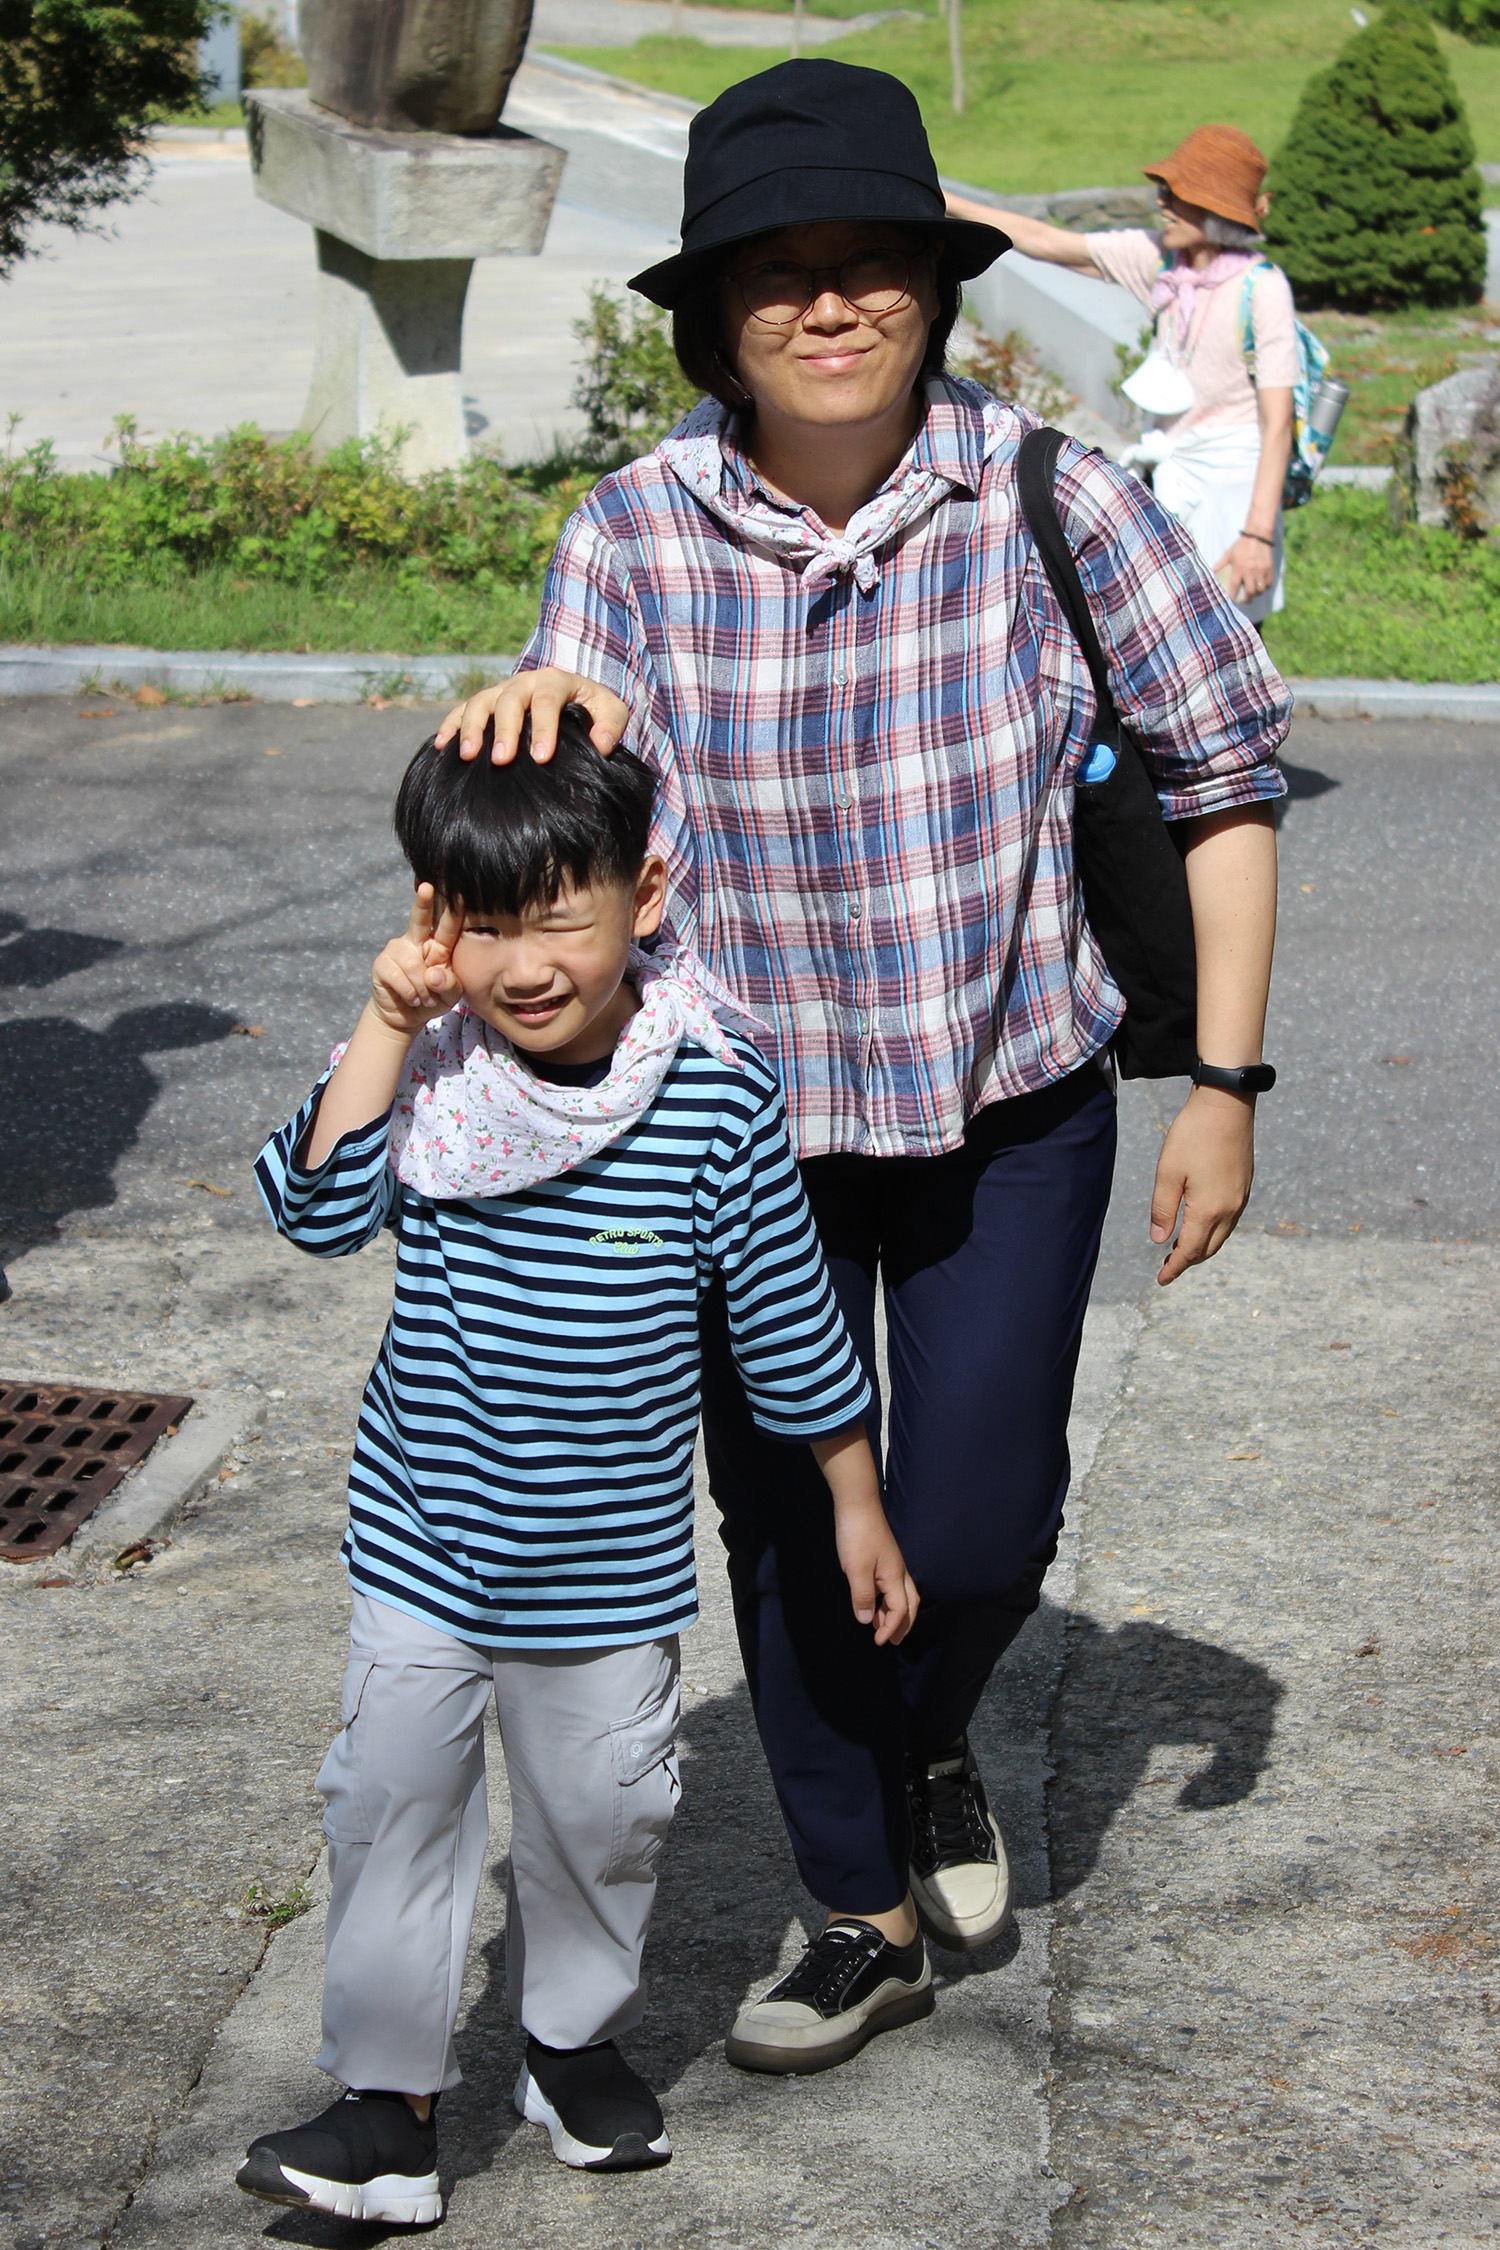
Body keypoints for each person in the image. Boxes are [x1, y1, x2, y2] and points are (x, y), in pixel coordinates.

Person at [437, 58, 1289, 2077]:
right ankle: (859, 1913)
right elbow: (565, 837)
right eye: (775, 272)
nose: (827, 305)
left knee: (977, 1526)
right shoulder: (628, 534)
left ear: (933, 281)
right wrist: (510, 734)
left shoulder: (1057, 500)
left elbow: (1226, 779)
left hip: (1012, 1103)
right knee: (791, 1525)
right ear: (714, 314)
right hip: (739, 1138)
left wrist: (1228, 1089)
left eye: (867, 264)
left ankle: (924, 1747)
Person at [236, 712, 916, 2224]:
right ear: (435, 920)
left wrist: (856, 1499)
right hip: (422, 1543)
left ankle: (569, 2042)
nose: (524, 965)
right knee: (389, 1804)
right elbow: (313, 1211)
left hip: (606, 1574)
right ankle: (388, 2106)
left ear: (645, 892)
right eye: (483, 927)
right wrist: (383, 1022)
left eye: (559, 918)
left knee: (605, 1819)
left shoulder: (713, 1091)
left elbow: (788, 1317)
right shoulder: (434, 1070)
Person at [947, 124, 1298, 626]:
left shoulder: (1262, 289)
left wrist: (1258, 535)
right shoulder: (1160, 261)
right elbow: (1044, 240)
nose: (1162, 204)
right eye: (1164, 191)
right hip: (1170, 474)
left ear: (1215, 208)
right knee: (1168, 635)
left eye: (1176, 194)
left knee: (1230, 642)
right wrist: (945, 201)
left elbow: (1277, 422)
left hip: (1233, 494)